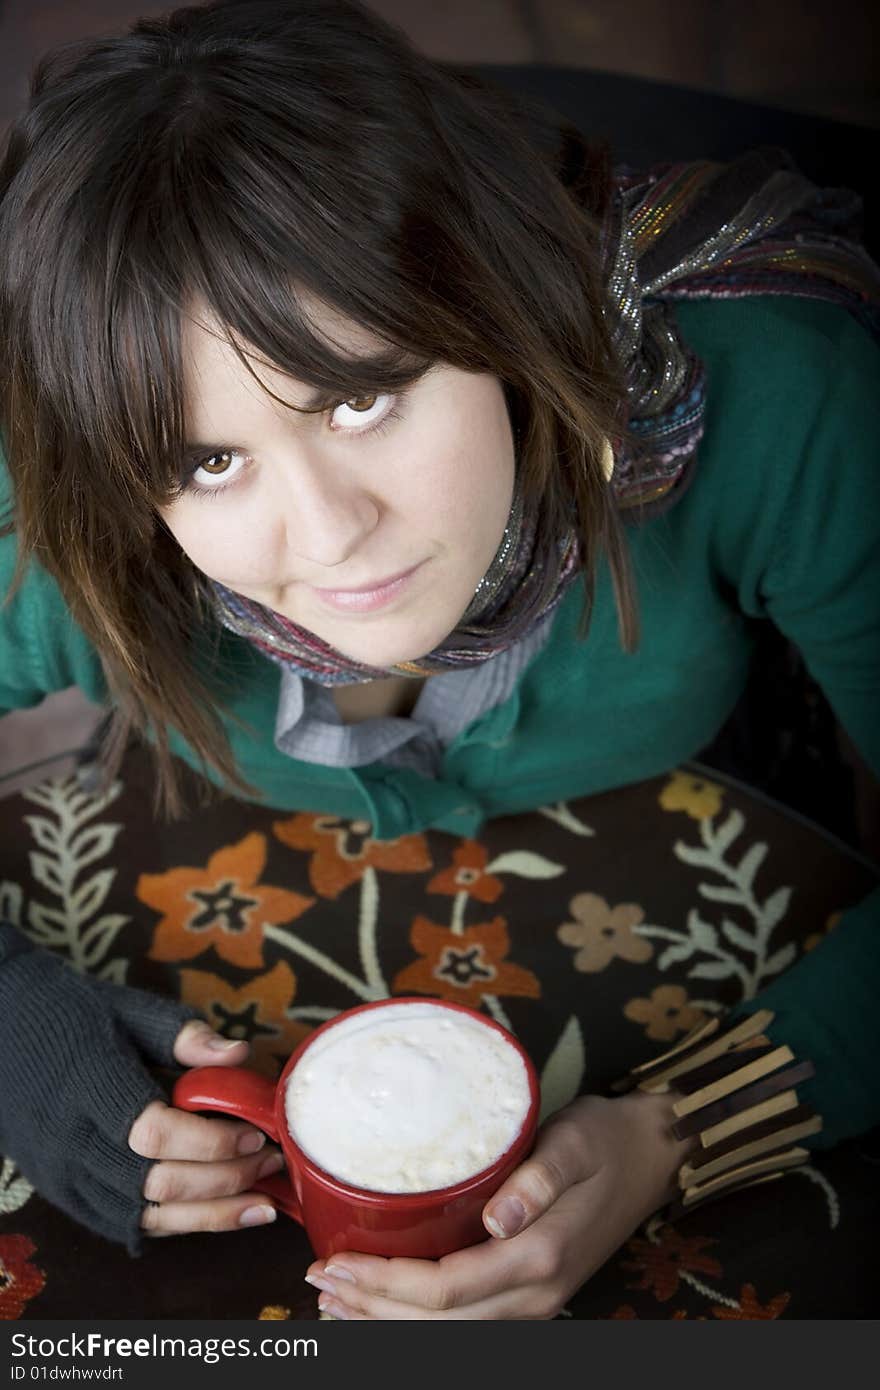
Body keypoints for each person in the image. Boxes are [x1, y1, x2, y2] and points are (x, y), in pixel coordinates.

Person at [1, 0, 878, 1321]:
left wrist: (676, 1128)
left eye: (365, 392)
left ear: (500, 304)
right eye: (209, 460)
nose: (333, 533)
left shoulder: (772, 400)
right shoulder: (51, 503)